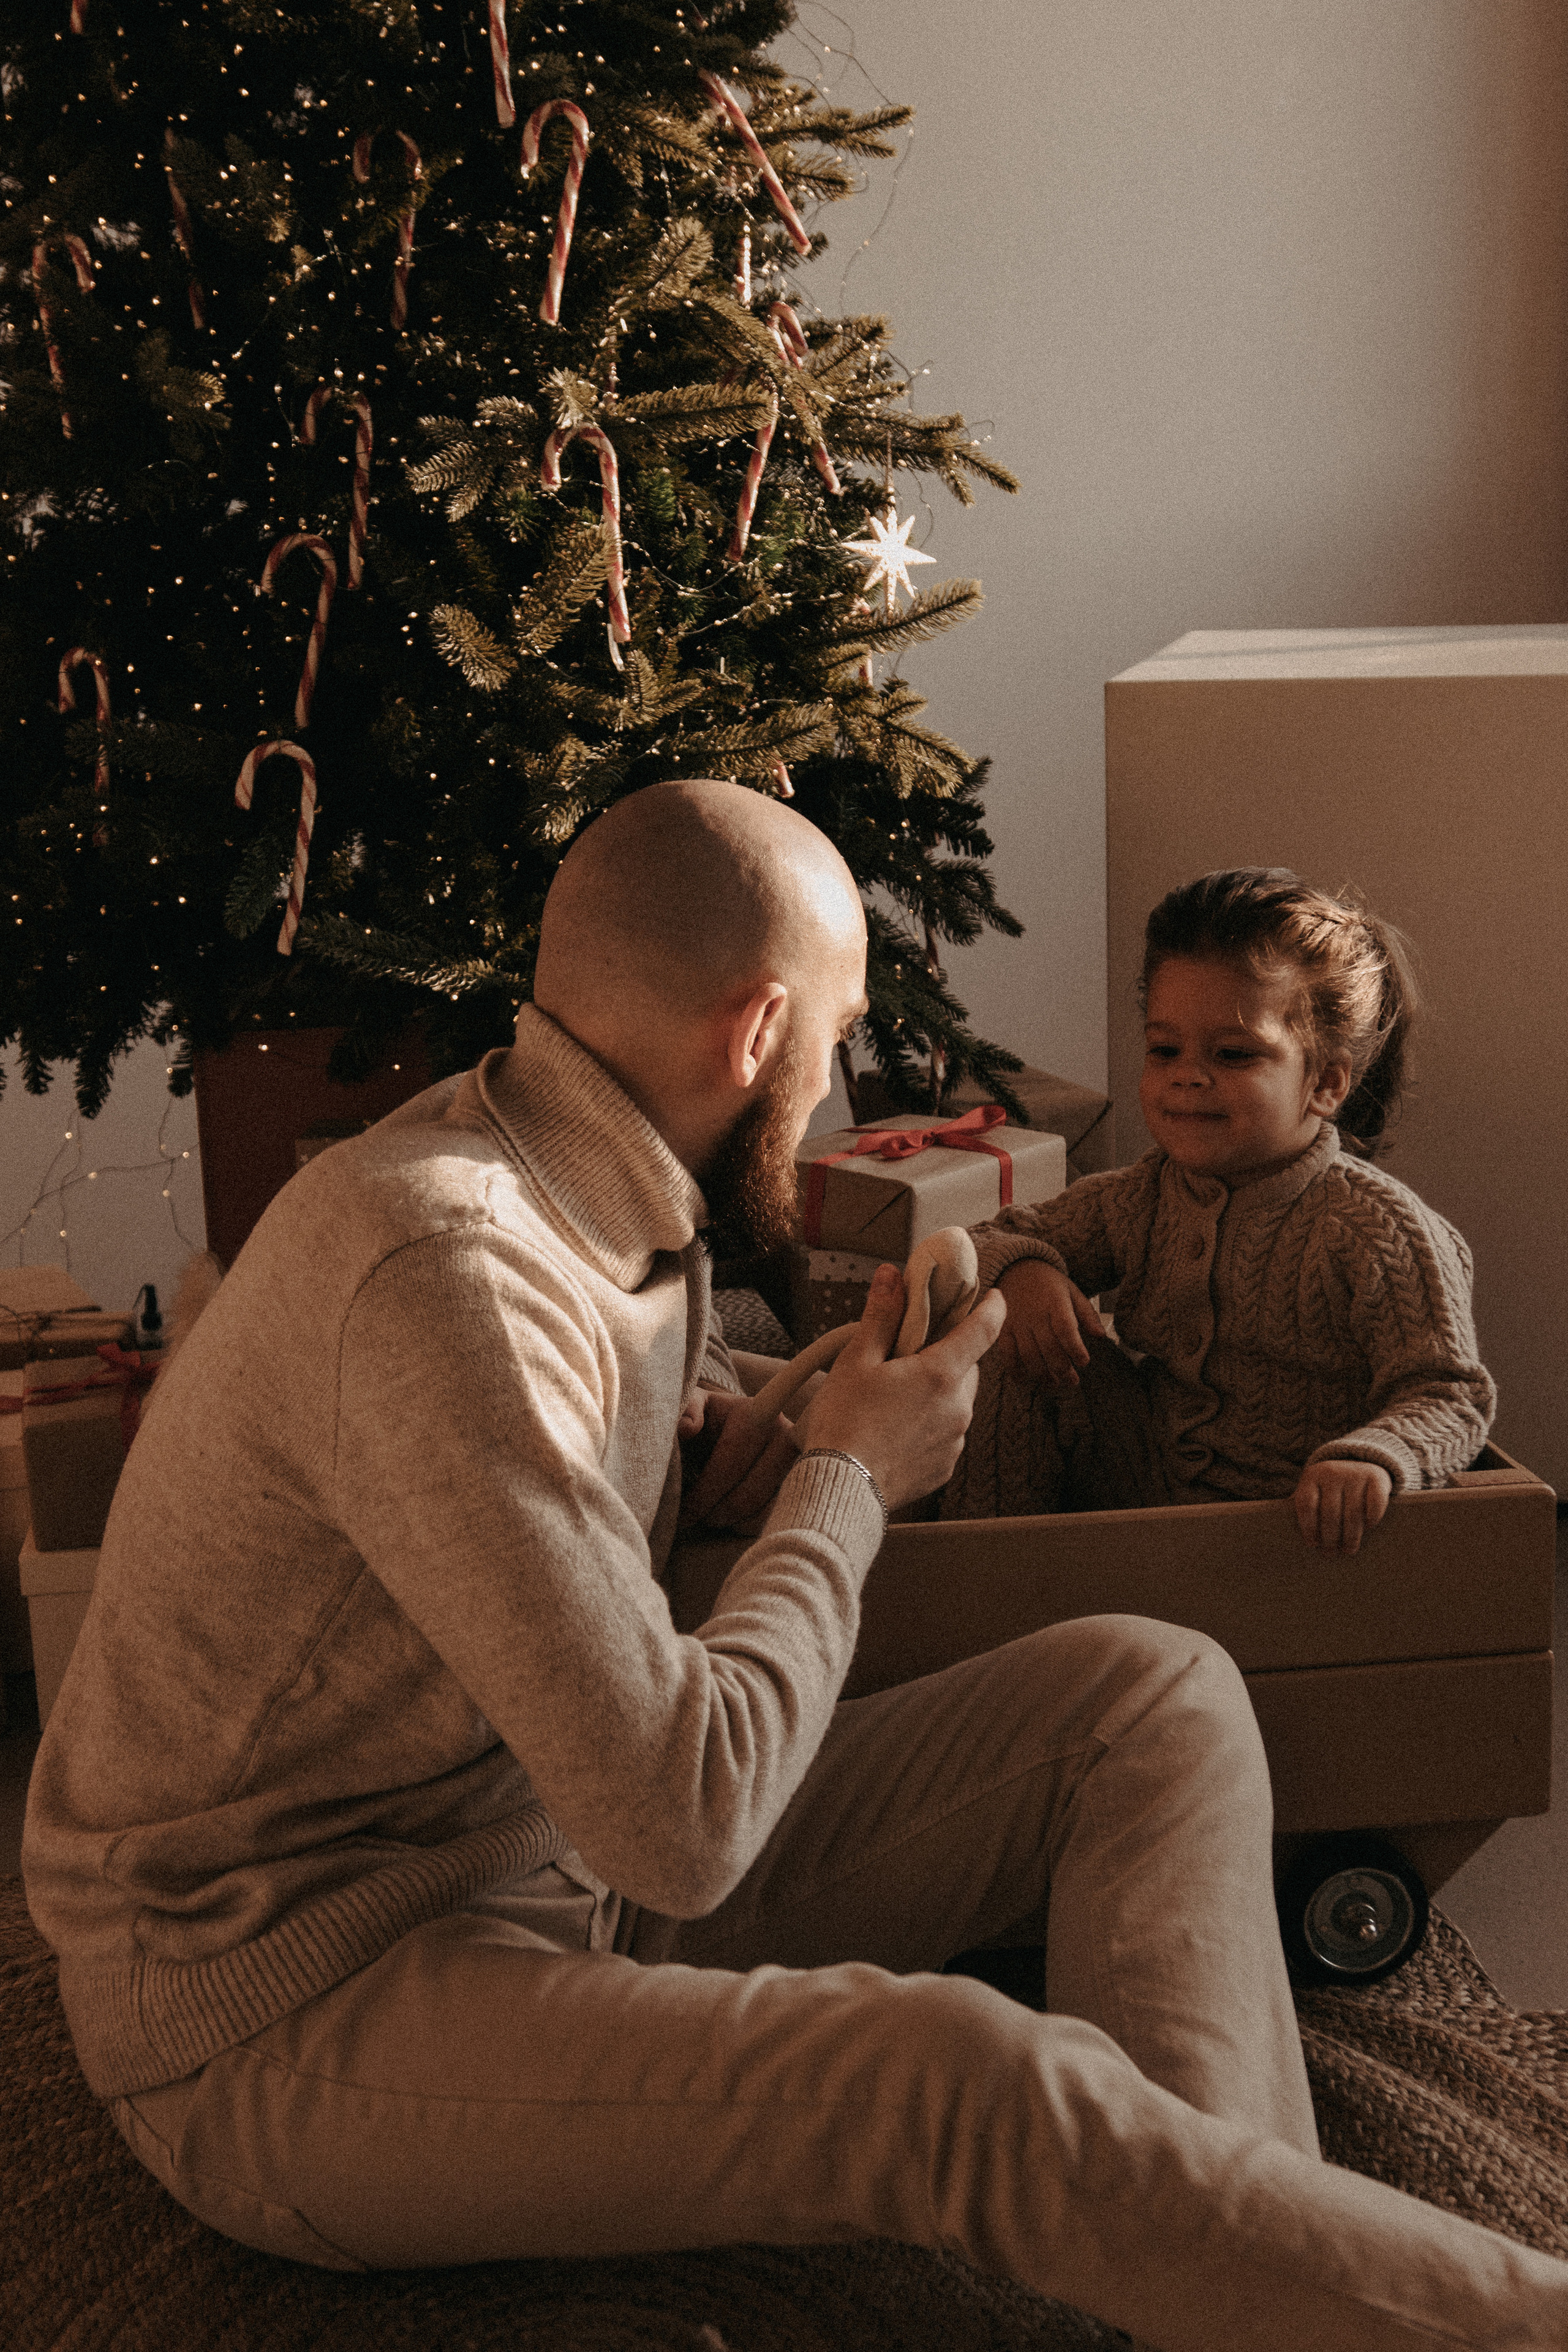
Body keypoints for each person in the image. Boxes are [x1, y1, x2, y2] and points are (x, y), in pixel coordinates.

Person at [21, 790, 1567, 2351]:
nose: (833, 1095)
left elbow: (508, 1523)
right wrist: (848, 1476)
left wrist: (713, 1446)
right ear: (758, 1029)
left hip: (540, 1849)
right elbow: (679, 1821)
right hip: (298, 1996)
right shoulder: (445, 1269)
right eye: (832, 1045)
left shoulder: (591, 1192)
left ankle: (1252, 2280)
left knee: (1151, 1690)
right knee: (957, 2082)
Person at [944, 869, 1494, 1553]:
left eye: (1232, 1054)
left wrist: (1374, 1453)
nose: (1186, 1074)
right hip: (1140, 1484)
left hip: (1297, 1521)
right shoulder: (1141, 1195)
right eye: (1164, 1049)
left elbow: (1449, 1393)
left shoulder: (1377, 1230)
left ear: (1323, 1082)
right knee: (1005, 1334)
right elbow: (987, 1237)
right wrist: (1023, 1271)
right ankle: (988, 1569)